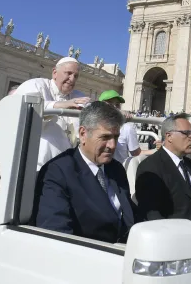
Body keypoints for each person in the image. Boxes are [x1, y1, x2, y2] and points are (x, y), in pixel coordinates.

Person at [32, 102, 136, 243]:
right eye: (105, 138)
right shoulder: (57, 173)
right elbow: (56, 235)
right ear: (83, 134)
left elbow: (130, 216)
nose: (112, 145)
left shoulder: (116, 168)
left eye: (116, 137)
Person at [135, 114, 191, 224]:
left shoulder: (188, 163)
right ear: (169, 136)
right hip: (180, 235)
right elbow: (153, 216)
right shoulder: (150, 168)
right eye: (187, 134)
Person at [14, 57, 91, 170]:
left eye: (76, 76)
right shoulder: (36, 85)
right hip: (37, 154)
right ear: (55, 72)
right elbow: (26, 107)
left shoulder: (78, 95)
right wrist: (59, 105)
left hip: (70, 156)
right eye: (68, 73)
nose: (72, 79)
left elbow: (92, 115)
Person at [98, 89, 155, 162]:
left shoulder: (127, 128)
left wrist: (160, 149)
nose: (114, 107)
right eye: (110, 104)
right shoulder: (92, 124)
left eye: (117, 105)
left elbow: (137, 153)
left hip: (118, 169)